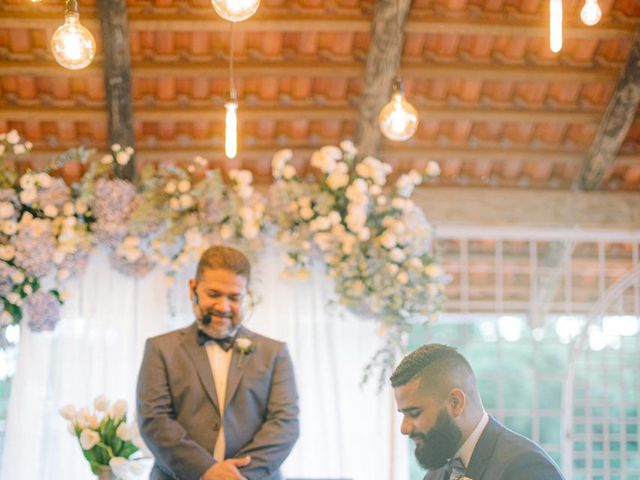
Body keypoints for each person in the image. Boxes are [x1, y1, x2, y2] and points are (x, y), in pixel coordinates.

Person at [137, 245, 299, 480]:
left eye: (234, 297)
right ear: (193, 288)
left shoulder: (275, 353)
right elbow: (155, 421)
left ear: (247, 295)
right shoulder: (160, 349)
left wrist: (235, 477)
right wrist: (206, 470)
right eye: (214, 294)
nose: (223, 307)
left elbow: (285, 425)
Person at [391, 343, 564, 480]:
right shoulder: (435, 475)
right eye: (402, 414)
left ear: (455, 403)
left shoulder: (525, 467)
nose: (404, 428)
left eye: (414, 413)